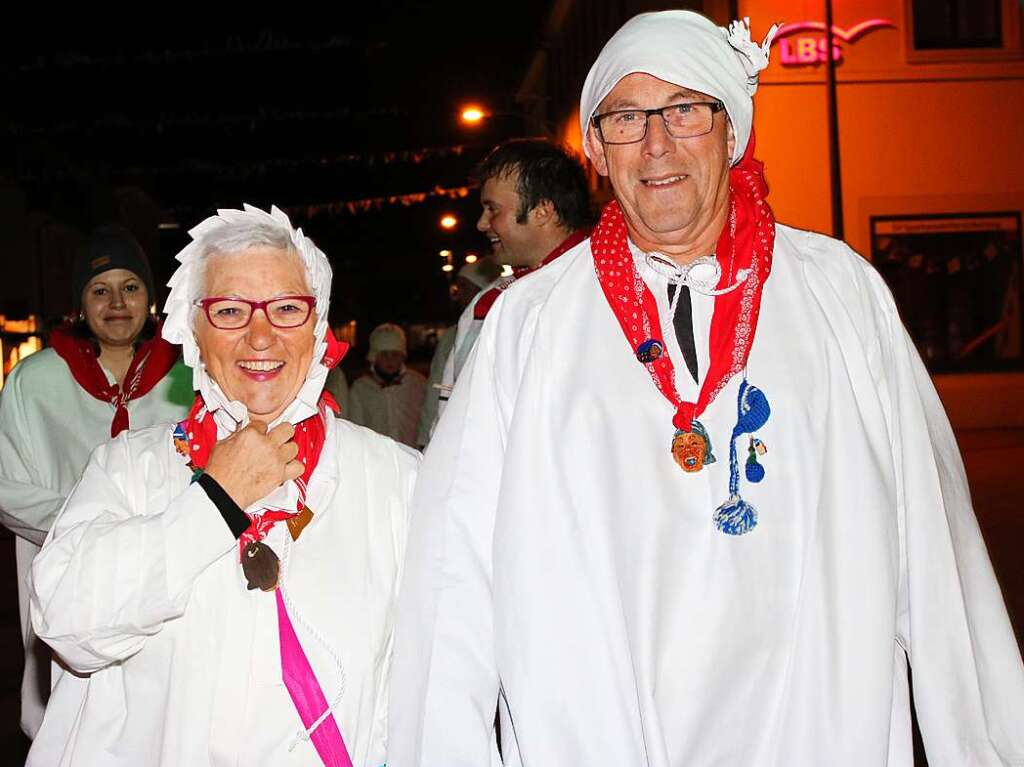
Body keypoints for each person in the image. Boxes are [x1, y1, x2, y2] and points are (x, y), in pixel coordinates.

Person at [389, 11, 1024, 766]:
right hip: (603, 728)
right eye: (626, 118)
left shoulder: (838, 293)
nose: (657, 143)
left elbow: (936, 532)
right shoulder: (531, 322)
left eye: (686, 109)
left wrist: (984, 743)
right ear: (595, 148)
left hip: (816, 720)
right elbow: (457, 559)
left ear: (732, 133)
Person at [27, 205, 418, 766]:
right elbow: (66, 622)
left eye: (286, 309)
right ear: (192, 332)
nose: (260, 337)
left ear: (319, 325)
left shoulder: (397, 479)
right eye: (230, 311)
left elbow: (436, 682)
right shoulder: (129, 470)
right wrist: (215, 500)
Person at [0, 225, 191, 739]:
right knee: (77, 720)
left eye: (131, 286)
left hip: (168, 573)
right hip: (67, 577)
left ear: (151, 298)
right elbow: (7, 487)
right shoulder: (35, 382)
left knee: (168, 713)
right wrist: (93, 528)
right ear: (80, 305)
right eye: (99, 290)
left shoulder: (187, 379)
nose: (117, 303)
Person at [438, 139, 593, 406]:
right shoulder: (489, 299)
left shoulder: (602, 293)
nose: (481, 223)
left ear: (542, 211)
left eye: (492, 209)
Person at [416, 258, 502, 448]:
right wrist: (424, 437)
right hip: (442, 430)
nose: (458, 292)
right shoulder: (452, 335)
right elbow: (436, 387)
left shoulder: (494, 330)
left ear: (480, 289)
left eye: (464, 286)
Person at [348, 323, 427, 448]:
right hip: (376, 456)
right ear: (374, 356)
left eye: (395, 354)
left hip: (411, 454)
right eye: (384, 354)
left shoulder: (418, 384)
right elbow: (356, 426)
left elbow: (426, 420)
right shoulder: (360, 389)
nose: (390, 360)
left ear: (402, 356)